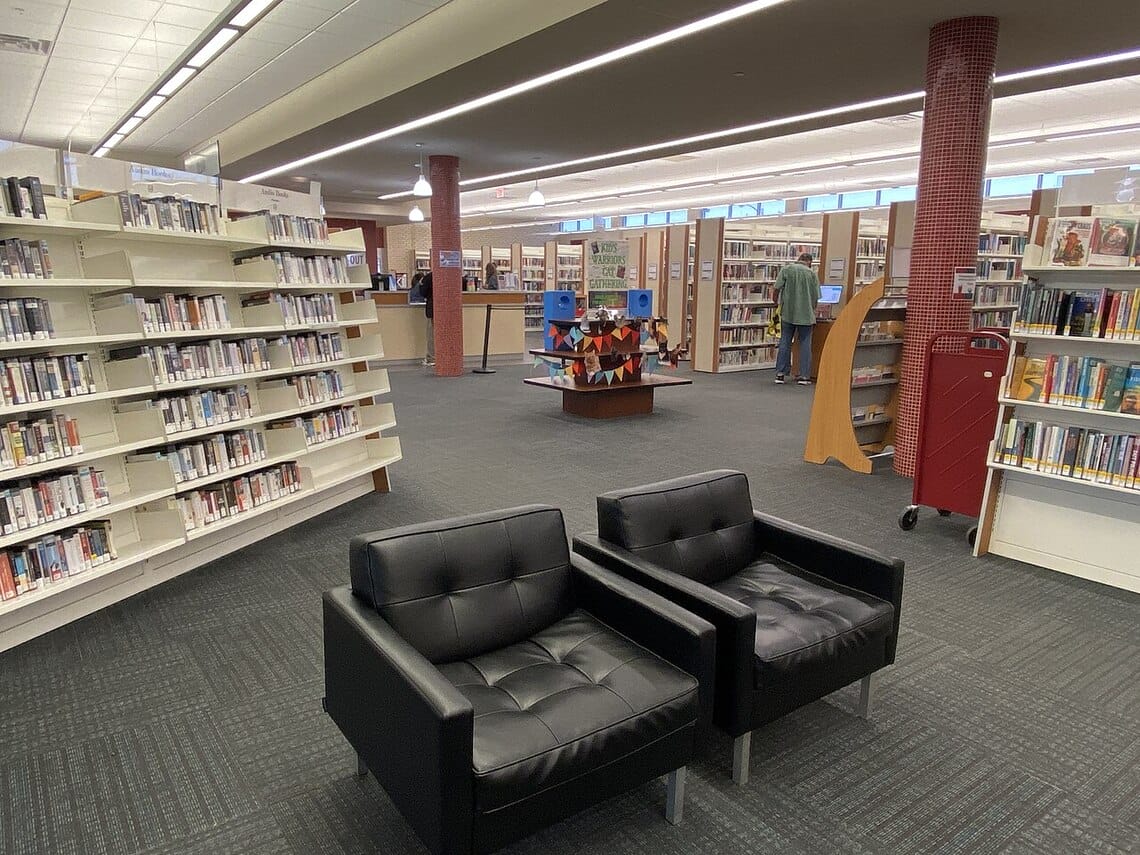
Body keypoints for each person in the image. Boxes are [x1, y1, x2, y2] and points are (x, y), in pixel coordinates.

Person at [773, 252, 821, 385]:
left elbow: (776, 288)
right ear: (809, 262)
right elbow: (816, 296)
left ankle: (780, 374)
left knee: (785, 341)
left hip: (788, 312)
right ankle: (804, 376)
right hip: (806, 315)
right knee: (805, 343)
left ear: (798, 259)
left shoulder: (787, 269)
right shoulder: (811, 274)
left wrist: (775, 302)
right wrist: (813, 309)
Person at [421, 271, 435, 367]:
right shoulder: (451, 274)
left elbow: (422, 292)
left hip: (432, 308)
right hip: (448, 310)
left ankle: (432, 358)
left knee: (432, 334)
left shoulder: (429, 277)